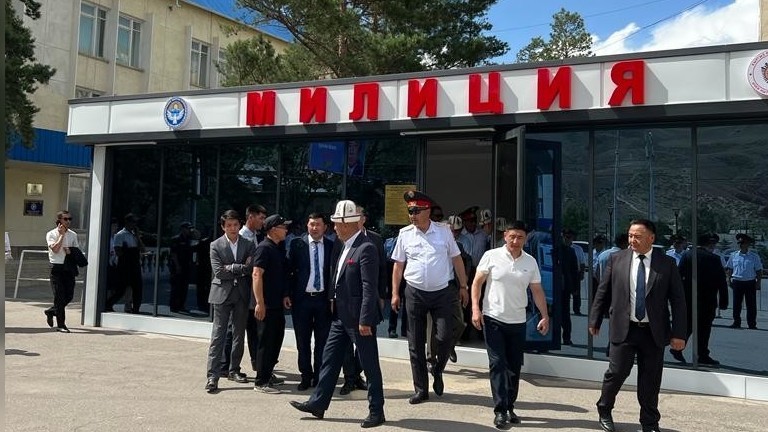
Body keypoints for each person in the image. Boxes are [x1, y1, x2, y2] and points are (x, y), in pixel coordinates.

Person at [289, 200, 385, 428]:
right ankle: (318, 403)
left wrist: (365, 319)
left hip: (359, 319)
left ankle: (376, 411)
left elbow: (369, 287)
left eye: (338, 224)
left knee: (370, 365)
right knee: (329, 360)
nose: (334, 228)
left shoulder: (366, 247)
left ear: (349, 224)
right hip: (341, 317)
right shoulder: (344, 245)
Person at [589, 219, 687, 432]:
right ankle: (604, 408)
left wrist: (679, 333)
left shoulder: (666, 263)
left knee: (650, 379)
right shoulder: (617, 259)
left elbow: (678, 300)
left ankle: (650, 423)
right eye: (630, 235)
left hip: (653, 331)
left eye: (638, 236)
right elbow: (603, 292)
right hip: (625, 329)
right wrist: (594, 319)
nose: (632, 240)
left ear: (651, 238)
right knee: (617, 373)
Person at [391, 190, 469, 404]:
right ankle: (421, 389)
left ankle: (437, 368)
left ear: (427, 211)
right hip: (415, 292)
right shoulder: (405, 234)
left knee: (444, 336)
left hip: (442, 292)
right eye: (410, 211)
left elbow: (457, 259)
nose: (412, 215)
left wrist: (463, 286)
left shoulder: (444, 232)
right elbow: (398, 265)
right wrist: (395, 293)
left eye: (416, 211)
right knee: (415, 343)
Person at [471, 220, 550, 428]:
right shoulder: (491, 256)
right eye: (512, 236)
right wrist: (475, 309)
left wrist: (544, 315)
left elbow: (537, 290)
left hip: (518, 321)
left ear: (526, 239)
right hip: (493, 318)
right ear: (505, 235)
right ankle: (500, 410)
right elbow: (477, 283)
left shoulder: (530, 262)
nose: (515, 241)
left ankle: (509, 406)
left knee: (514, 367)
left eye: (520, 237)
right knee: (497, 363)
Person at [204, 210, 256, 393]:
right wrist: (240, 268)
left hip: (241, 294)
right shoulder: (215, 245)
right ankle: (213, 376)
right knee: (218, 335)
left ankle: (234, 370)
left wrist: (232, 267)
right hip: (221, 294)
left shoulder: (248, 244)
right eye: (229, 225)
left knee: (239, 334)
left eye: (235, 225)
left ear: (240, 225)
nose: (233, 228)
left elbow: (250, 268)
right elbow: (218, 272)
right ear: (223, 227)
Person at [339, 206, 387, 396]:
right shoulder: (342, 240)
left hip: (363, 307)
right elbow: (335, 269)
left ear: (362, 219)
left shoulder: (372, 241)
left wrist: (380, 296)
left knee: (367, 355)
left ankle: (374, 402)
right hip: (343, 307)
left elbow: (379, 272)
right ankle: (347, 379)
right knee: (336, 353)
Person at [286, 212, 334, 391]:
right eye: (311, 224)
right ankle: (305, 376)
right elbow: (289, 270)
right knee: (303, 341)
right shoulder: (297, 244)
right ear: (307, 226)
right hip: (302, 300)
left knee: (322, 341)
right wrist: (287, 294)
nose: (314, 228)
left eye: (318, 224)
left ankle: (319, 376)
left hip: (322, 300)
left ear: (325, 227)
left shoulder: (331, 245)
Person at [221, 204, 268, 374]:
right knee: (234, 329)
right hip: (239, 289)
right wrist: (243, 267)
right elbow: (239, 266)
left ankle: (257, 363)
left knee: (252, 328)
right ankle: (225, 365)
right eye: (261, 218)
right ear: (251, 217)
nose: (263, 222)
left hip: (250, 289)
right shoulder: (239, 237)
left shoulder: (256, 237)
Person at [672, 233, 728, 365]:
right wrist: (724, 301)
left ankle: (677, 348)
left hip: (689, 298)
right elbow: (721, 281)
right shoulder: (714, 259)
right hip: (707, 299)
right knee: (704, 329)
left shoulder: (687, 255)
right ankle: (702, 354)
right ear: (710, 244)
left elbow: (678, 276)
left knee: (688, 326)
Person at [252, 214, 292, 394]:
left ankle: (268, 374)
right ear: (273, 229)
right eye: (283, 227)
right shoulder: (264, 248)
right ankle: (261, 381)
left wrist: (284, 295)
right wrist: (260, 303)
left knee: (275, 341)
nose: (286, 230)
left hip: (277, 304)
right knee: (266, 343)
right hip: (266, 305)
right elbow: (256, 275)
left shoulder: (277, 248)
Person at [426, 215, 470, 372]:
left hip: (451, 287)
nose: (453, 234)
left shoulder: (458, 246)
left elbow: (466, 261)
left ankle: (449, 345)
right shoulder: (431, 243)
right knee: (432, 324)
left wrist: (464, 284)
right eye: (450, 230)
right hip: (433, 287)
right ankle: (431, 358)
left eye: (455, 231)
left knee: (459, 322)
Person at [45, 211, 81, 332]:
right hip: (56, 267)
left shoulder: (73, 235)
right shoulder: (51, 234)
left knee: (69, 295)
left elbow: (76, 251)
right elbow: (55, 249)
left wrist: (70, 252)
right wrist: (61, 235)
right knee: (59, 297)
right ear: (59, 220)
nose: (68, 221)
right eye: (65, 219)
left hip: (68, 267)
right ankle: (61, 325)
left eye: (70, 219)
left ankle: (51, 311)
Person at [106, 213, 145, 313]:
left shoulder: (134, 235)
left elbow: (142, 249)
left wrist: (137, 236)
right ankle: (108, 304)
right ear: (127, 222)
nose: (134, 224)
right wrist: (127, 251)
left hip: (135, 265)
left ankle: (136, 308)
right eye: (133, 222)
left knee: (137, 288)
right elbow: (118, 251)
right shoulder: (120, 235)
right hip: (125, 266)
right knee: (121, 289)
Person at [725, 233, 763, 330]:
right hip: (737, 282)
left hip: (750, 282)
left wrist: (758, 282)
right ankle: (736, 322)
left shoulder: (754, 256)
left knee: (751, 304)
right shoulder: (733, 255)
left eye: (744, 243)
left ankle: (752, 324)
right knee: (736, 304)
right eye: (740, 243)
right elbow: (729, 269)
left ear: (748, 244)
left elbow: (759, 270)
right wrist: (728, 280)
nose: (742, 245)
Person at [559, 229, 580, 345]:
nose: (568, 240)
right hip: (553, 287)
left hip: (565, 287)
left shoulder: (571, 251)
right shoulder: (556, 249)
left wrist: (575, 288)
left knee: (565, 313)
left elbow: (574, 270)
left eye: (570, 238)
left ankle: (567, 337)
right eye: (566, 237)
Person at [170, 222, 195, 313]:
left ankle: (181, 305)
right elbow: (173, 254)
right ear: (183, 229)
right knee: (176, 287)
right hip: (178, 266)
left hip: (186, 266)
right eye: (188, 228)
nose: (189, 230)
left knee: (184, 288)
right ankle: (174, 306)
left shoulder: (189, 239)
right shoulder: (176, 239)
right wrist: (177, 266)